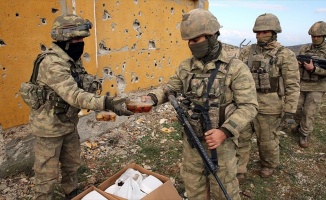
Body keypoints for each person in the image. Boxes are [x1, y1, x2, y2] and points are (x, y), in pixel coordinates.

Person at [142, 8, 258, 200]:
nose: (191, 45)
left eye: (196, 40)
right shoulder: (186, 66)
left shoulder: (235, 68)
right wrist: (152, 98)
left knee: (224, 189)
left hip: (222, 143)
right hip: (193, 140)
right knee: (194, 187)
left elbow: (249, 106)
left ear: (212, 36)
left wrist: (225, 131)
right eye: (189, 41)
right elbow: (170, 88)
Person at [28, 14, 133, 199]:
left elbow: (82, 80)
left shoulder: (71, 58)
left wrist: (97, 88)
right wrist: (106, 103)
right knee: (46, 177)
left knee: (72, 164)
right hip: (49, 128)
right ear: (63, 38)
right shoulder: (52, 63)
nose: (80, 43)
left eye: (82, 39)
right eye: (77, 39)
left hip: (68, 122)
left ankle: (72, 193)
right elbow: (74, 96)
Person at [236, 13, 300, 180]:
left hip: (270, 105)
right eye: (257, 32)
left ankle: (269, 164)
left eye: (264, 32)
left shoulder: (285, 55)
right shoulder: (247, 52)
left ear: (273, 32)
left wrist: (290, 110)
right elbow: (234, 76)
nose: (260, 35)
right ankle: (239, 167)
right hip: (246, 103)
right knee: (241, 137)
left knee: (267, 141)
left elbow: (292, 85)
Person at [292, 21, 326, 148]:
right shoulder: (304, 49)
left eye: (318, 36)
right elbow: (296, 64)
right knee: (296, 108)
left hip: (318, 86)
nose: (315, 38)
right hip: (302, 84)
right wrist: (298, 65)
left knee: (309, 111)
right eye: (313, 36)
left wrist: (314, 69)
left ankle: (304, 134)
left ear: (324, 36)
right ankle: (298, 125)